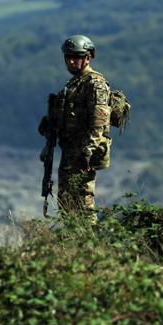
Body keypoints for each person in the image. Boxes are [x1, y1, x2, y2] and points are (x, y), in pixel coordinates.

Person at [42, 34, 112, 221]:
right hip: (70, 151)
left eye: (77, 57)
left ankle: (89, 245)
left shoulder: (94, 84)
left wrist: (86, 153)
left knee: (82, 203)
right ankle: (74, 243)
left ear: (88, 57)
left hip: (82, 154)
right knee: (66, 203)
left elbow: (99, 123)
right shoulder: (74, 84)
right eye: (69, 57)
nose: (72, 61)